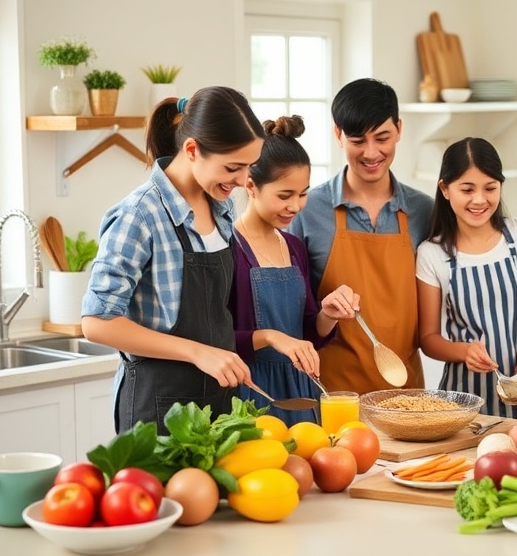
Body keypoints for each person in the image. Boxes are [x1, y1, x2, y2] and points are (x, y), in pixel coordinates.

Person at [82, 87, 265, 434]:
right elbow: (97, 322)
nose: (242, 181)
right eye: (233, 167)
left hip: (218, 404)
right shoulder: (140, 215)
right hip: (157, 411)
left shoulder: (220, 208)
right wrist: (199, 352)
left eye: (248, 167)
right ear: (192, 150)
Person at [288, 78, 434, 394]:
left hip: (406, 400)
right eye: (357, 141)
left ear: (399, 129)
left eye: (382, 138)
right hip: (330, 397)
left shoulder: (425, 211)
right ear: (337, 134)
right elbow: (291, 312)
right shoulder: (305, 210)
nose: (371, 153)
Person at [416, 137, 517, 417]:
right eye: (467, 189)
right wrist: (463, 351)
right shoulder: (431, 253)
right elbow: (428, 338)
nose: (480, 200)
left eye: (490, 188)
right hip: (465, 400)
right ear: (445, 189)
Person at [229, 115, 358, 425]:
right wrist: (272, 338)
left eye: (303, 194)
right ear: (251, 186)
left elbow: (308, 333)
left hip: (302, 389)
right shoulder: (227, 248)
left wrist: (328, 314)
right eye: (284, 196)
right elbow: (215, 340)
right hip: (251, 393)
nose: (296, 206)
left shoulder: (293, 246)